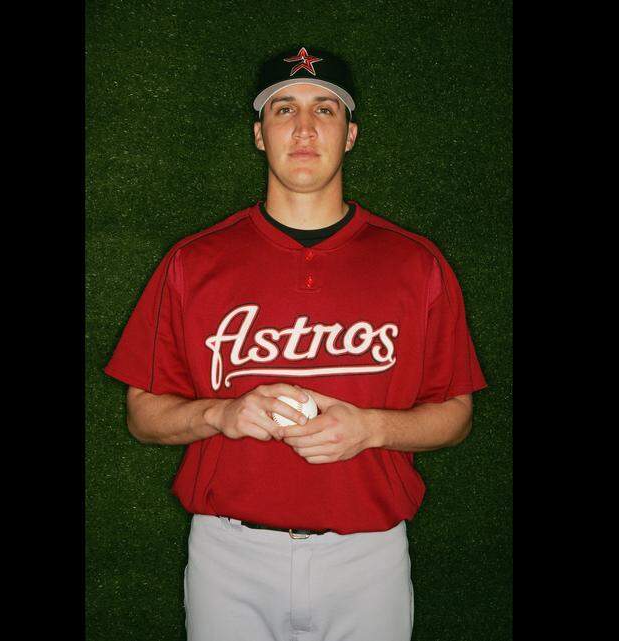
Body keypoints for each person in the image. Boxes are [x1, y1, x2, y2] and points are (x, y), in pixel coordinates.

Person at [103, 45, 488, 641]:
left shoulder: (416, 264)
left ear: (351, 133)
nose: (304, 128)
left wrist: (373, 429)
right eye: (283, 109)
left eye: (325, 110)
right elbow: (142, 415)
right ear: (259, 135)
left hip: (369, 557)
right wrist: (222, 413)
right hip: (229, 555)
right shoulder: (193, 262)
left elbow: (457, 416)